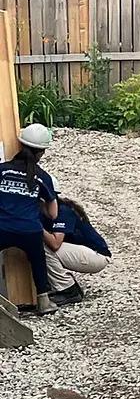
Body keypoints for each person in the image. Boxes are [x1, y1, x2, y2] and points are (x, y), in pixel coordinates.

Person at [0, 124, 58, 315]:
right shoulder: (42, 177)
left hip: (2, 227)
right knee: (38, 260)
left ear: (21, 145)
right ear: (42, 152)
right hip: (29, 230)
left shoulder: (3, 171)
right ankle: (44, 301)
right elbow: (53, 214)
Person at [40, 177, 111, 306]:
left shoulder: (63, 211)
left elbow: (55, 243)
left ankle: (67, 289)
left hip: (96, 255)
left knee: (44, 246)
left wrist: (34, 224)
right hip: (81, 252)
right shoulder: (45, 211)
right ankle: (56, 285)